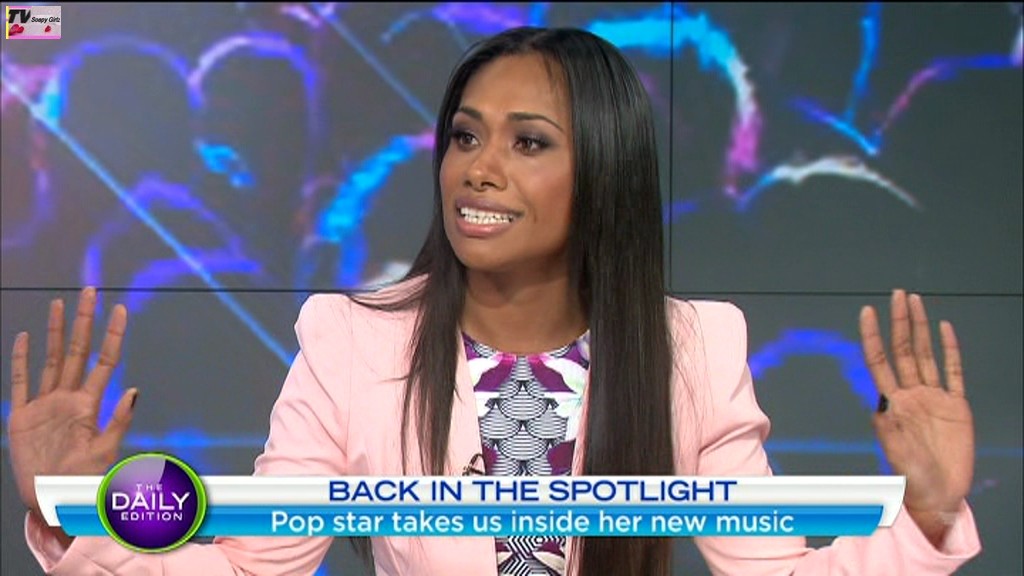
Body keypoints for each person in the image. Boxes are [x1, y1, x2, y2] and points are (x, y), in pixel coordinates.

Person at [7, 26, 980, 576]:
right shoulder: (351, 340)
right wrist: (79, 519)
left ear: (604, 170)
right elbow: (249, 566)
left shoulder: (693, 345)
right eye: (467, 137)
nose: (478, 169)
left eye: (528, 143)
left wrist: (926, 517)